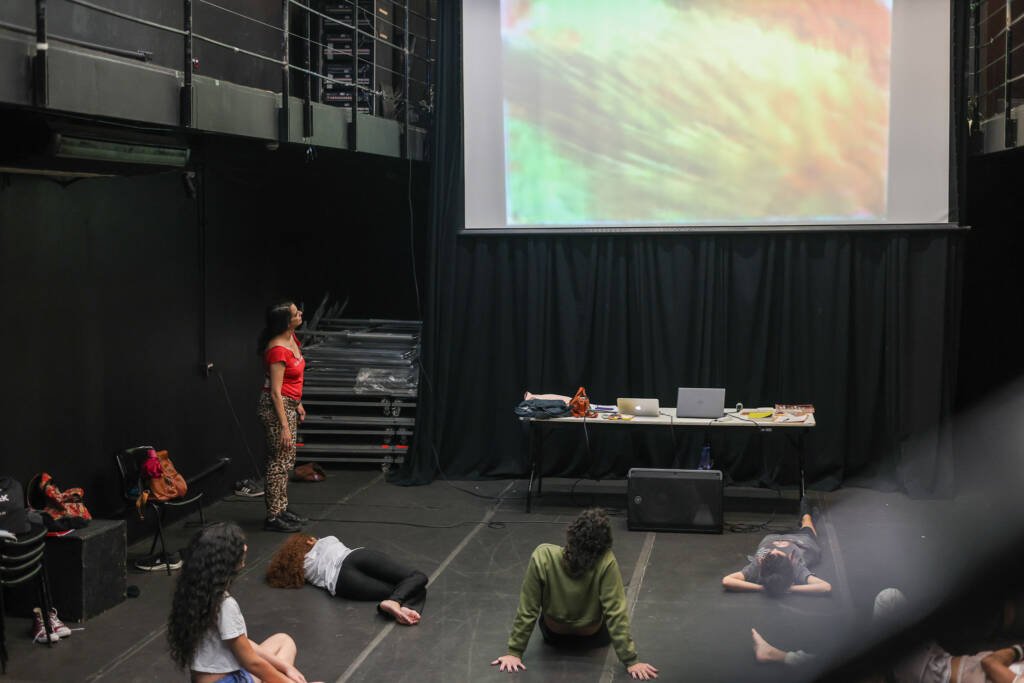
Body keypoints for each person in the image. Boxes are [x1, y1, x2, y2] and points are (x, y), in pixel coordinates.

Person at [491, 508, 659, 680]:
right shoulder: (606, 560)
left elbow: (528, 609)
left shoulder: (543, 556)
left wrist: (515, 652)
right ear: (603, 544)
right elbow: (615, 614)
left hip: (554, 637)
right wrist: (631, 661)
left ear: (571, 534)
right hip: (593, 638)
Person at [750, 588, 1024, 683]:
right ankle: (879, 671)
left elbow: (991, 664)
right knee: (891, 603)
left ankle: (779, 655)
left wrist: (1018, 650)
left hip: (931, 675)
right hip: (941, 658)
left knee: (888, 602)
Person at [167, 522, 312, 683]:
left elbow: (242, 643)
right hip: (228, 681)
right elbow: (252, 663)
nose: (245, 548)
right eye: (239, 546)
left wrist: (286, 668)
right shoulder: (224, 605)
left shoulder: (197, 595)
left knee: (284, 641)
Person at [266, 533, 427, 625]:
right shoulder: (325, 541)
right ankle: (397, 602)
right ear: (308, 541)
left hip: (342, 582)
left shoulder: (303, 570)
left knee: (400, 590)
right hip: (355, 557)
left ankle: (397, 604)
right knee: (416, 580)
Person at [257, 300, 308, 533]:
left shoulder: (292, 339)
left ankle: (282, 508)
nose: (301, 315)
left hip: (289, 405)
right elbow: (276, 393)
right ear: (287, 322)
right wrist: (285, 426)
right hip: (276, 408)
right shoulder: (278, 349)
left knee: (286, 460)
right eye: (297, 314)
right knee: (278, 462)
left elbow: (292, 381)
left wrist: (298, 404)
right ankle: (272, 516)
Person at [722, 502, 832, 596]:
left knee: (804, 528)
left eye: (770, 555)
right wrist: (787, 589)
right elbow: (825, 587)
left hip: (772, 538)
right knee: (807, 523)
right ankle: (807, 516)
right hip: (801, 540)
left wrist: (762, 588)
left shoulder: (757, 566)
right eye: (777, 554)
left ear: (761, 562)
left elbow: (727, 581)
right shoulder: (796, 568)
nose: (773, 550)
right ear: (791, 558)